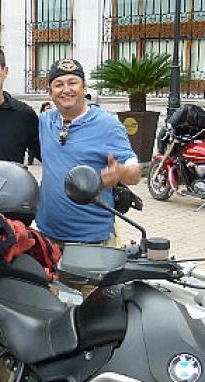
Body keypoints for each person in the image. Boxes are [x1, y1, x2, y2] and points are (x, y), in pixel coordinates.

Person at [35, 59, 139, 246]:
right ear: (50, 92)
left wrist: (121, 172)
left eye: (72, 83)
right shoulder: (45, 121)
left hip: (92, 239)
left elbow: (135, 174)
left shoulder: (108, 125)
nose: (66, 89)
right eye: (59, 84)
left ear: (84, 88)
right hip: (47, 234)